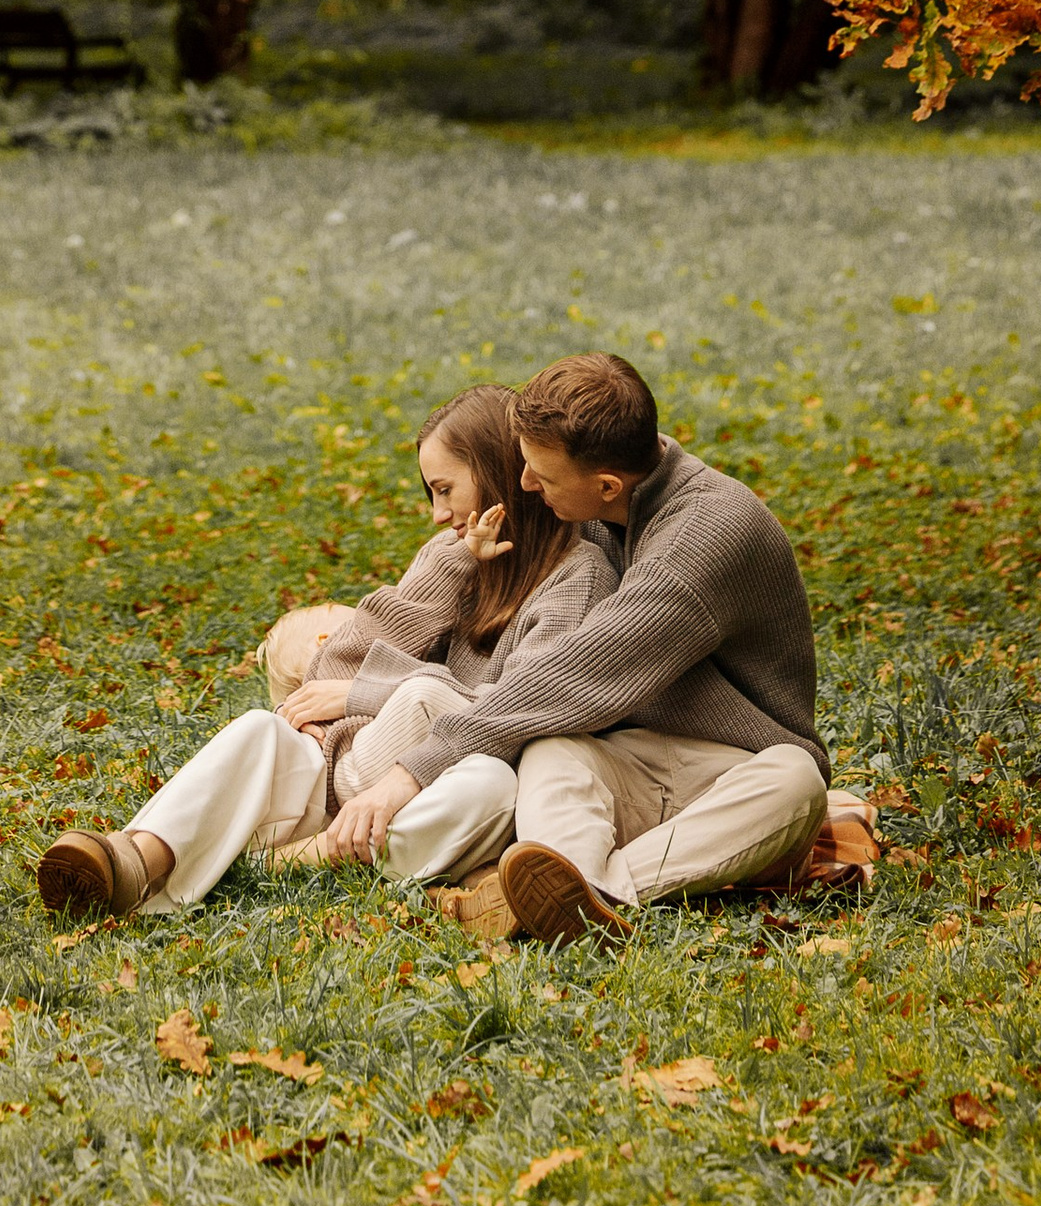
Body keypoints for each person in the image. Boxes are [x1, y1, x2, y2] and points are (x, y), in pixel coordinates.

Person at [317, 349, 876, 943]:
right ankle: (561, 889)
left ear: (606, 484)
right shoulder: (591, 501)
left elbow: (573, 676)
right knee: (551, 748)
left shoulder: (705, 537)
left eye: (541, 475)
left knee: (795, 779)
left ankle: (593, 895)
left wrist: (410, 773)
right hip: (626, 755)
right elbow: (500, 671)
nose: (525, 484)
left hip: (729, 771)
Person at [33, 384, 613, 919]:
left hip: (436, 786)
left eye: (445, 490)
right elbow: (337, 665)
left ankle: (293, 859)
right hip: (354, 764)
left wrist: (368, 694)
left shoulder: (577, 577)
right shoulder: (452, 553)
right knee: (262, 730)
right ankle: (138, 861)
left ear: (497, 474)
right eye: (431, 494)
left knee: (487, 781)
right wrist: (455, 564)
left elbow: (516, 708)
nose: (438, 514)